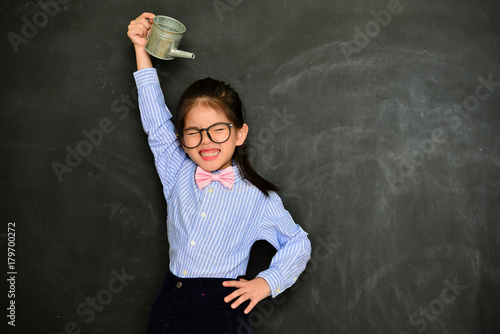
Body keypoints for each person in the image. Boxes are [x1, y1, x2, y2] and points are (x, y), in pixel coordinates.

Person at [127, 12, 312, 334]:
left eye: (218, 130)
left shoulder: (258, 197)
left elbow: (297, 243)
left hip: (221, 310)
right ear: (182, 139)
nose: (206, 141)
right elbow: (156, 123)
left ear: (240, 134)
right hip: (170, 299)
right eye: (194, 132)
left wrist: (266, 283)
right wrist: (142, 48)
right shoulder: (176, 170)